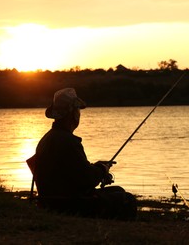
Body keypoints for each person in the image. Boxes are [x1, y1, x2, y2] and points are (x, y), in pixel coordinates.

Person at [27, 88, 137, 220]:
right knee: (127, 199)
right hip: (68, 205)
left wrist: (97, 167)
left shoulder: (48, 138)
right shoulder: (68, 141)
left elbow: (73, 171)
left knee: (117, 190)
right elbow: (86, 180)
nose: (79, 113)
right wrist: (102, 170)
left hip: (50, 201)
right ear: (73, 114)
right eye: (78, 110)